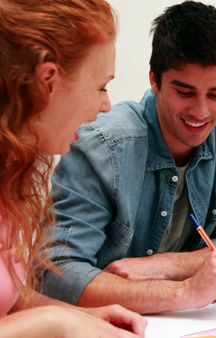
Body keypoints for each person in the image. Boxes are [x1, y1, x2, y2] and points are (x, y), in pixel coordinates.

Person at [42, 1, 216, 314]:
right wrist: (184, 291)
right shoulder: (102, 144)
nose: (201, 113)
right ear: (154, 80)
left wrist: (164, 265)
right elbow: (58, 275)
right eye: (185, 92)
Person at [0, 0, 147, 336]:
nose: (106, 104)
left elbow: (7, 299)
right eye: (101, 86)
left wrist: (83, 315)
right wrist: (56, 322)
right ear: (47, 81)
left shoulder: (11, 173)